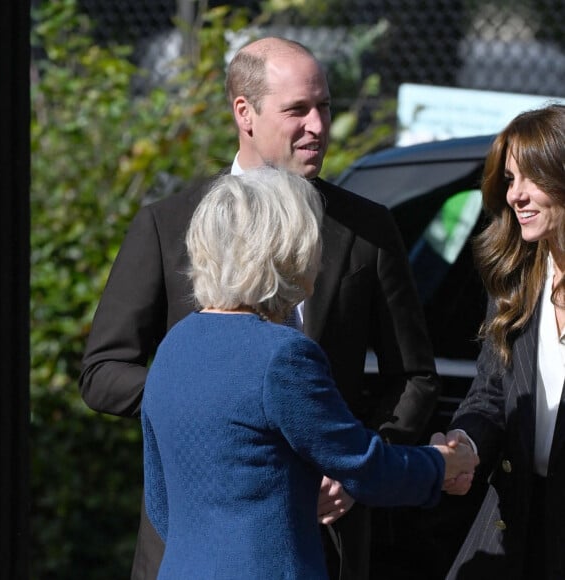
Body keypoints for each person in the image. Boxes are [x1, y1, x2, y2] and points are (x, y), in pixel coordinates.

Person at [80, 37, 441, 580]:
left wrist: (355, 467)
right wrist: (209, 404)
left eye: (324, 107)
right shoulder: (169, 223)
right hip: (194, 542)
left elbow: (412, 377)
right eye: (298, 109)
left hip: (326, 542)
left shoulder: (367, 229)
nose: (318, 125)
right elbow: (104, 370)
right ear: (243, 113)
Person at [141, 166, 477, 579]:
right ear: (286, 250)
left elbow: (160, 502)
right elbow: (363, 466)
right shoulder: (281, 356)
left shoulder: (175, 345)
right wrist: (443, 464)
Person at [435, 104, 565, 579]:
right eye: (510, 180)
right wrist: (462, 442)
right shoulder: (515, 282)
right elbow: (491, 391)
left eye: (531, 178)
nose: (516, 196)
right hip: (515, 518)